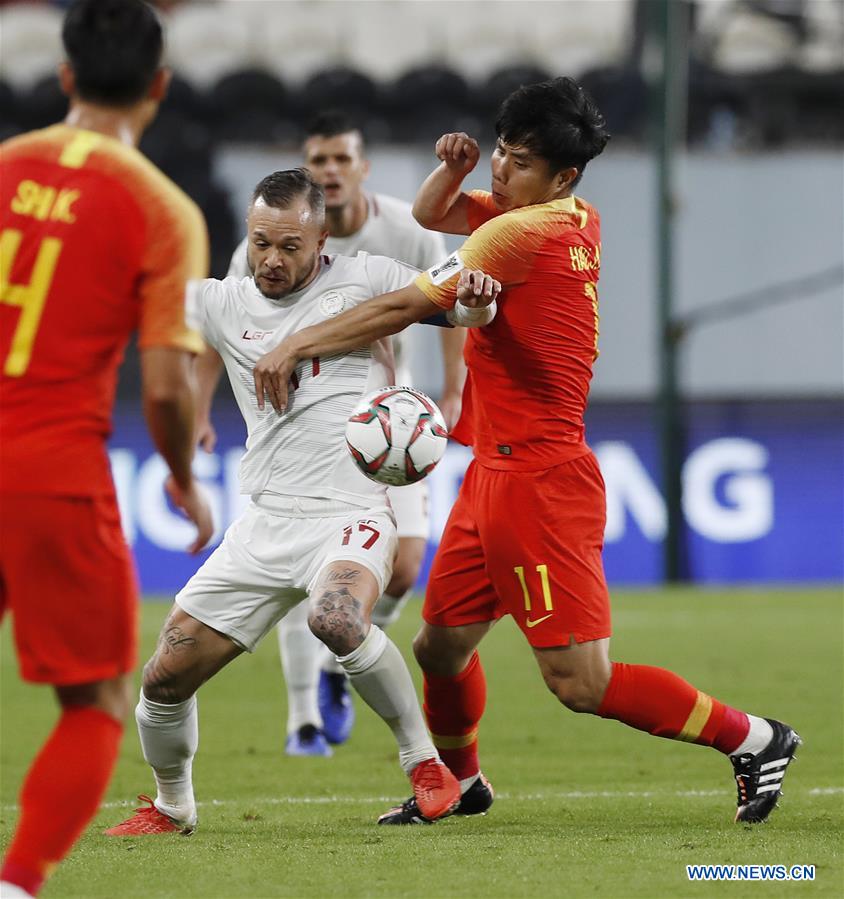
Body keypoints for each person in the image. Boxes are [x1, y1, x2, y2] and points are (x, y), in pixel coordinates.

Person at [248, 77, 801, 828]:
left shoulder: (517, 235)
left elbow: (406, 305)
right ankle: (463, 782)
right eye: (501, 151)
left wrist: (296, 344)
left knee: (580, 682)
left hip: (543, 482)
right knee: (440, 648)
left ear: (562, 176)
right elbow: (433, 214)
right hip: (492, 474)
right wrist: (455, 173)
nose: (501, 171)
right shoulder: (573, 216)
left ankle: (756, 739)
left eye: (520, 162)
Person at [104, 169, 500, 837]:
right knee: (163, 678)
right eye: (261, 243)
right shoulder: (221, 302)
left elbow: (458, 304)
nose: (271, 260)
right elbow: (123, 303)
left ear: (322, 241)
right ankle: (172, 806)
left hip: (350, 512)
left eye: (290, 246)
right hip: (262, 523)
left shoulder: (368, 276)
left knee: (335, 618)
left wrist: (481, 301)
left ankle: (425, 764)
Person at [0, 1, 214, 895]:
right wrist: (183, 477)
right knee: (93, 701)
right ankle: (16, 882)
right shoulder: (163, 210)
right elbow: (165, 387)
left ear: (64, 76)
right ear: (159, 85)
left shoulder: (6, 165)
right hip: (49, 469)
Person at [223, 111, 465, 756]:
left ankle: (337, 663)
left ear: (361, 168)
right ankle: (305, 718)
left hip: (390, 421)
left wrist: (454, 387)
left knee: (404, 567)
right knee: (303, 566)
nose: (330, 170)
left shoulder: (406, 230)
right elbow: (233, 330)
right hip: (305, 422)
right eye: (319, 160)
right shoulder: (264, 244)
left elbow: (447, 302)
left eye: (341, 159)